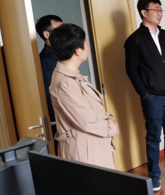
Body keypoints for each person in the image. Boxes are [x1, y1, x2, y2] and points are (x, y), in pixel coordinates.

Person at [124, 0, 165, 191]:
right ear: (144, 12)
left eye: (161, 10)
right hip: (153, 97)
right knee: (153, 136)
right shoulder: (134, 40)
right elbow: (131, 70)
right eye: (156, 10)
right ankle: (154, 174)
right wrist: (144, 93)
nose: (160, 14)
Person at [49, 24, 119, 169]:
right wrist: (112, 127)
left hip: (94, 145)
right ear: (77, 50)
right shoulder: (65, 84)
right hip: (85, 152)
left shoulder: (74, 75)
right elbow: (87, 121)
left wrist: (109, 118)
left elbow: (92, 108)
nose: (88, 48)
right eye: (86, 44)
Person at [35, 14, 62, 154]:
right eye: (59, 30)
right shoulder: (46, 60)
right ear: (47, 34)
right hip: (60, 125)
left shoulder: (59, 55)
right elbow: (50, 95)